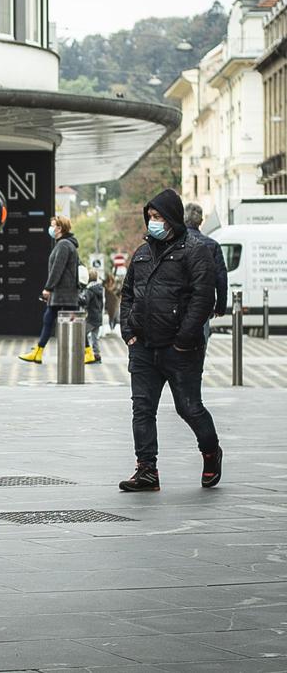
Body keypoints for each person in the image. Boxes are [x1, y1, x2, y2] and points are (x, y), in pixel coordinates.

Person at [119, 188, 222, 492]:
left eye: (158, 216)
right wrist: (129, 332)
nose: (153, 222)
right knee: (142, 408)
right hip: (144, 346)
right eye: (150, 216)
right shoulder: (141, 253)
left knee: (189, 408)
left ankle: (211, 452)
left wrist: (184, 338)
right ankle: (147, 470)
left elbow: (204, 297)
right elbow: (127, 294)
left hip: (180, 348)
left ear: (173, 217)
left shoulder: (194, 250)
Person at [19, 215, 79, 364]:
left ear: (59, 228)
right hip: (64, 292)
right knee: (55, 319)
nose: (51, 229)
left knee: (59, 320)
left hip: (63, 292)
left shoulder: (64, 245)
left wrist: (48, 287)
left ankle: (39, 352)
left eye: (53, 225)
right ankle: (38, 352)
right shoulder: (65, 244)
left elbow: (57, 269)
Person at [184, 202, 228, 339]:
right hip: (203, 305)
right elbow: (221, 278)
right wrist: (220, 307)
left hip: (178, 305)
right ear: (201, 221)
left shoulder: (175, 243)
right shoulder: (212, 245)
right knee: (200, 347)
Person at [84, 269, 104, 364]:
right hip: (98, 316)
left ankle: (88, 354)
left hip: (91, 317)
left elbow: (85, 301)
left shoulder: (90, 290)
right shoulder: (100, 288)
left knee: (82, 333)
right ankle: (97, 355)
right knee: (94, 337)